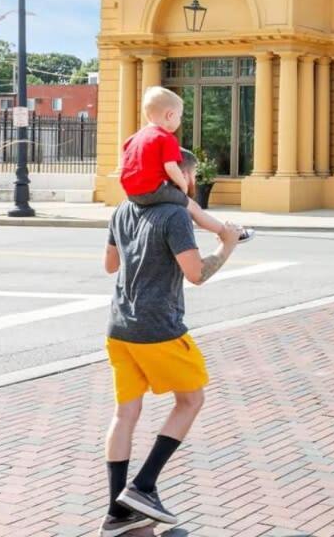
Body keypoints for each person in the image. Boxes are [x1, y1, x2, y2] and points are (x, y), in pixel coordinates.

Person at [99, 149, 242, 536]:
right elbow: (195, 274)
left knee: (124, 414)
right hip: (158, 329)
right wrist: (226, 244)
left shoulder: (123, 209)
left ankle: (118, 516)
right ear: (184, 178)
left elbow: (110, 265)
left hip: (119, 328)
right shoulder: (176, 214)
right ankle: (143, 487)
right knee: (191, 399)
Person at [121, 86, 252, 242]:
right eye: (179, 116)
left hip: (131, 193)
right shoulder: (165, 138)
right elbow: (170, 167)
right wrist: (182, 185)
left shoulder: (132, 139)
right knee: (194, 207)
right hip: (153, 190)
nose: (180, 120)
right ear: (169, 115)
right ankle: (226, 233)